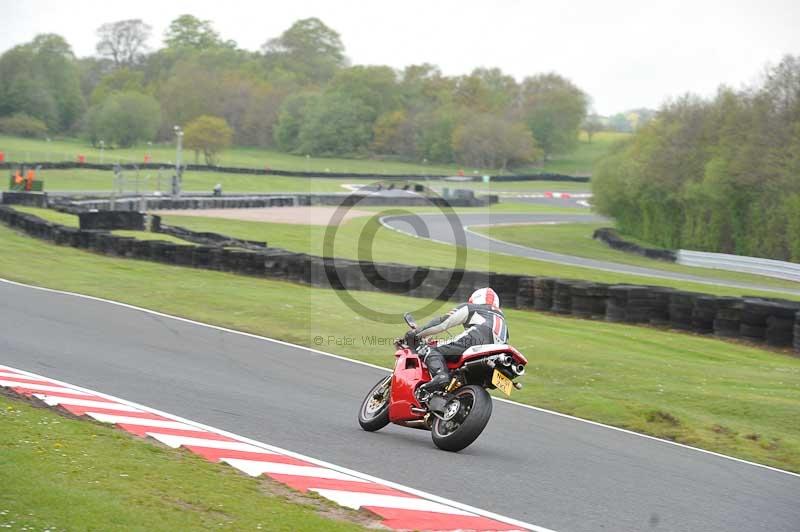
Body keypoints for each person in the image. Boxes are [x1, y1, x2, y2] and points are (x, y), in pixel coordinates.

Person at [406, 287, 509, 398]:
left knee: (431, 349)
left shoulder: (472, 307)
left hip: (478, 340)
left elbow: (442, 323)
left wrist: (417, 333)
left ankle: (440, 375)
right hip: (498, 355)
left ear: (475, 299)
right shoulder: (503, 322)